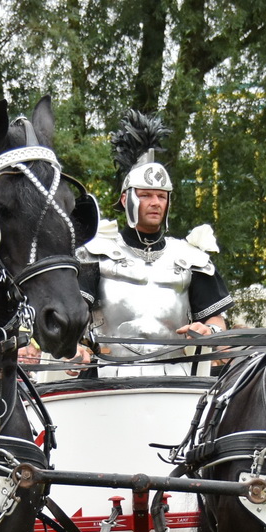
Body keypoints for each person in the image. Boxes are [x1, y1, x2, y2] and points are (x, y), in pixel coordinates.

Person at [65, 111, 231, 377]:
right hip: (106, 378)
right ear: (125, 200)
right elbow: (71, 318)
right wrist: (74, 348)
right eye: (145, 195)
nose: (155, 202)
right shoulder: (94, 254)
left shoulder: (190, 259)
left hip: (175, 378)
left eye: (161, 196)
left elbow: (216, 322)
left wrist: (209, 332)